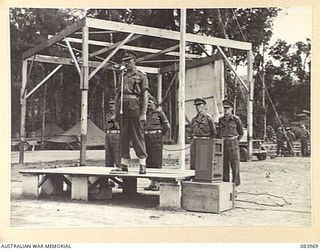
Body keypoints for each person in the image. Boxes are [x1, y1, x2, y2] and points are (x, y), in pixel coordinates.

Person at [113, 50, 149, 174]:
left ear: (135, 61)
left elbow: (145, 96)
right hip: (123, 108)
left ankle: (142, 164)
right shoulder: (122, 76)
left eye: (129, 61)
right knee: (124, 136)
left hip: (135, 107)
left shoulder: (141, 76)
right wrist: (115, 112)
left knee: (137, 135)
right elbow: (118, 94)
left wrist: (143, 113)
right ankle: (124, 164)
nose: (127, 64)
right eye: (125, 62)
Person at [144, 96, 170, 191]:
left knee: (156, 161)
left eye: (150, 103)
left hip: (156, 139)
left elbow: (167, 126)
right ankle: (152, 182)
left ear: (154, 103)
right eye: (147, 103)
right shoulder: (145, 114)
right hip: (147, 139)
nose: (148, 105)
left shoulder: (159, 113)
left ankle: (157, 183)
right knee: (149, 161)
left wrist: (159, 135)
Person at [218, 99, 243, 187]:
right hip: (224, 143)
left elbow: (241, 133)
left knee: (235, 165)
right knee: (224, 165)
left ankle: (235, 185)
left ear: (231, 109)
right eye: (224, 108)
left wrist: (235, 141)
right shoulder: (220, 120)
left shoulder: (236, 120)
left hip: (233, 143)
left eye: (228, 108)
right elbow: (218, 132)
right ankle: (226, 185)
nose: (225, 110)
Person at [190, 98, 216, 170]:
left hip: (205, 142)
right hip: (195, 142)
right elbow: (191, 132)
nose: (198, 107)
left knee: (203, 163)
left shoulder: (208, 119)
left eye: (200, 105)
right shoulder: (193, 120)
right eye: (196, 106)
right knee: (193, 161)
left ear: (204, 106)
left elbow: (213, 132)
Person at [105, 98, 120, 168]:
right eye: (110, 103)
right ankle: (109, 176)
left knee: (117, 155)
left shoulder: (120, 114)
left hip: (116, 134)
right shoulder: (107, 115)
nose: (111, 105)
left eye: (113, 103)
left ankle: (119, 170)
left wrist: (115, 121)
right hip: (108, 135)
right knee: (108, 155)